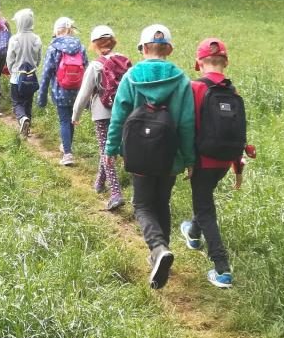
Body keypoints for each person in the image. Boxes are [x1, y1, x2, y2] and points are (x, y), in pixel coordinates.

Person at [105, 24, 195, 290]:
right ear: (169, 49)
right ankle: (162, 250)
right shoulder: (180, 79)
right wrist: (189, 159)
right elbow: (188, 123)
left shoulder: (132, 76)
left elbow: (119, 116)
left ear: (143, 49)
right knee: (162, 203)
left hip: (139, 155)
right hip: (170, 156)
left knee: (142, 205)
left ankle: (158, 249)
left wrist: (110, 149)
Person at [179, 37, 256, 289]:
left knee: (205, 208)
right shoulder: (233, 92)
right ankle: (192, 233)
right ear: (226, 62)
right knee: (205, 199)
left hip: (202, 160)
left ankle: (222, 269)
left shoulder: (194, 88)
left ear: (197, 63)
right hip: (224, 161)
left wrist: (186, 160)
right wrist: (237, 168)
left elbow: (187, 127)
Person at [72, 25, 132, 211]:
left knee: (106, 150)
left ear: (95, 45)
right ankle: (99, 183)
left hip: (102, 113)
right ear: (113, 42)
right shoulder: (125, 61)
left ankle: (115, 194)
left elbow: (84, 93)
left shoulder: (96, 65)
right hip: (123, 112)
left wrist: (75, 115)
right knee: (108, 147)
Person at [38, 17, 87, 166]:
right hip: (77, 90)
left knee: (64, 120)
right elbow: (87, 68)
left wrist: (42, 96)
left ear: (56, 31)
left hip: (60, 90)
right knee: (71, 120)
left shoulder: (54, 48)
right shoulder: (81, 47)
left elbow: (46, 72)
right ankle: (67, 146)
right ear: (71, 30)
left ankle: (67, 153)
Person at [6, 8, 42, 137]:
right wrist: (34, 67)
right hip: (31, 76)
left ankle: (22, 119)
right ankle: (27, 128)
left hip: (17, 76)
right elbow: (38, 58)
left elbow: (10, 58)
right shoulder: (36, 38)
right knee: (28, 102)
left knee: (17, 102)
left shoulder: (14, 39)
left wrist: (11, 71)